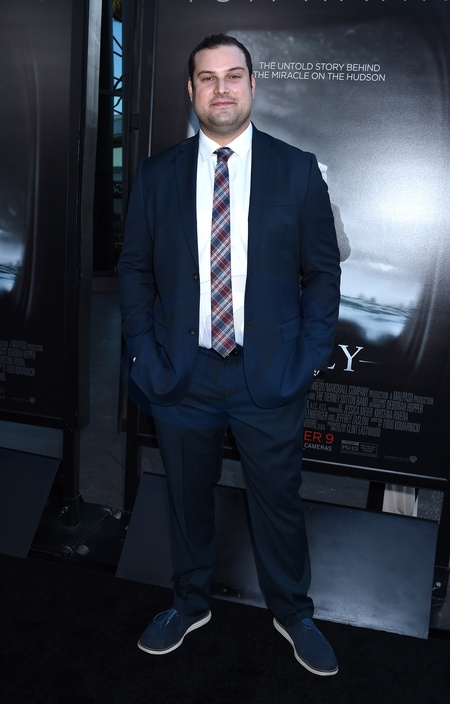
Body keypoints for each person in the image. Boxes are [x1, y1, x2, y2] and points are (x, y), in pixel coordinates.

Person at [118, 33, 341, 677]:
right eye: (207, 77)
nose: (221, 88)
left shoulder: (296, 169)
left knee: (279, 500)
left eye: (233, 75)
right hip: (180, 373)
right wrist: (145, 351)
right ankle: (189, 603)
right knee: (187, 498)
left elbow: (322, 272)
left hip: (267, 374)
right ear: (190, 90)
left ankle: (293, 612)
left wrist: (308, 354)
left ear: (252, 85)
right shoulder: (157, 173)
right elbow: (134, 269)